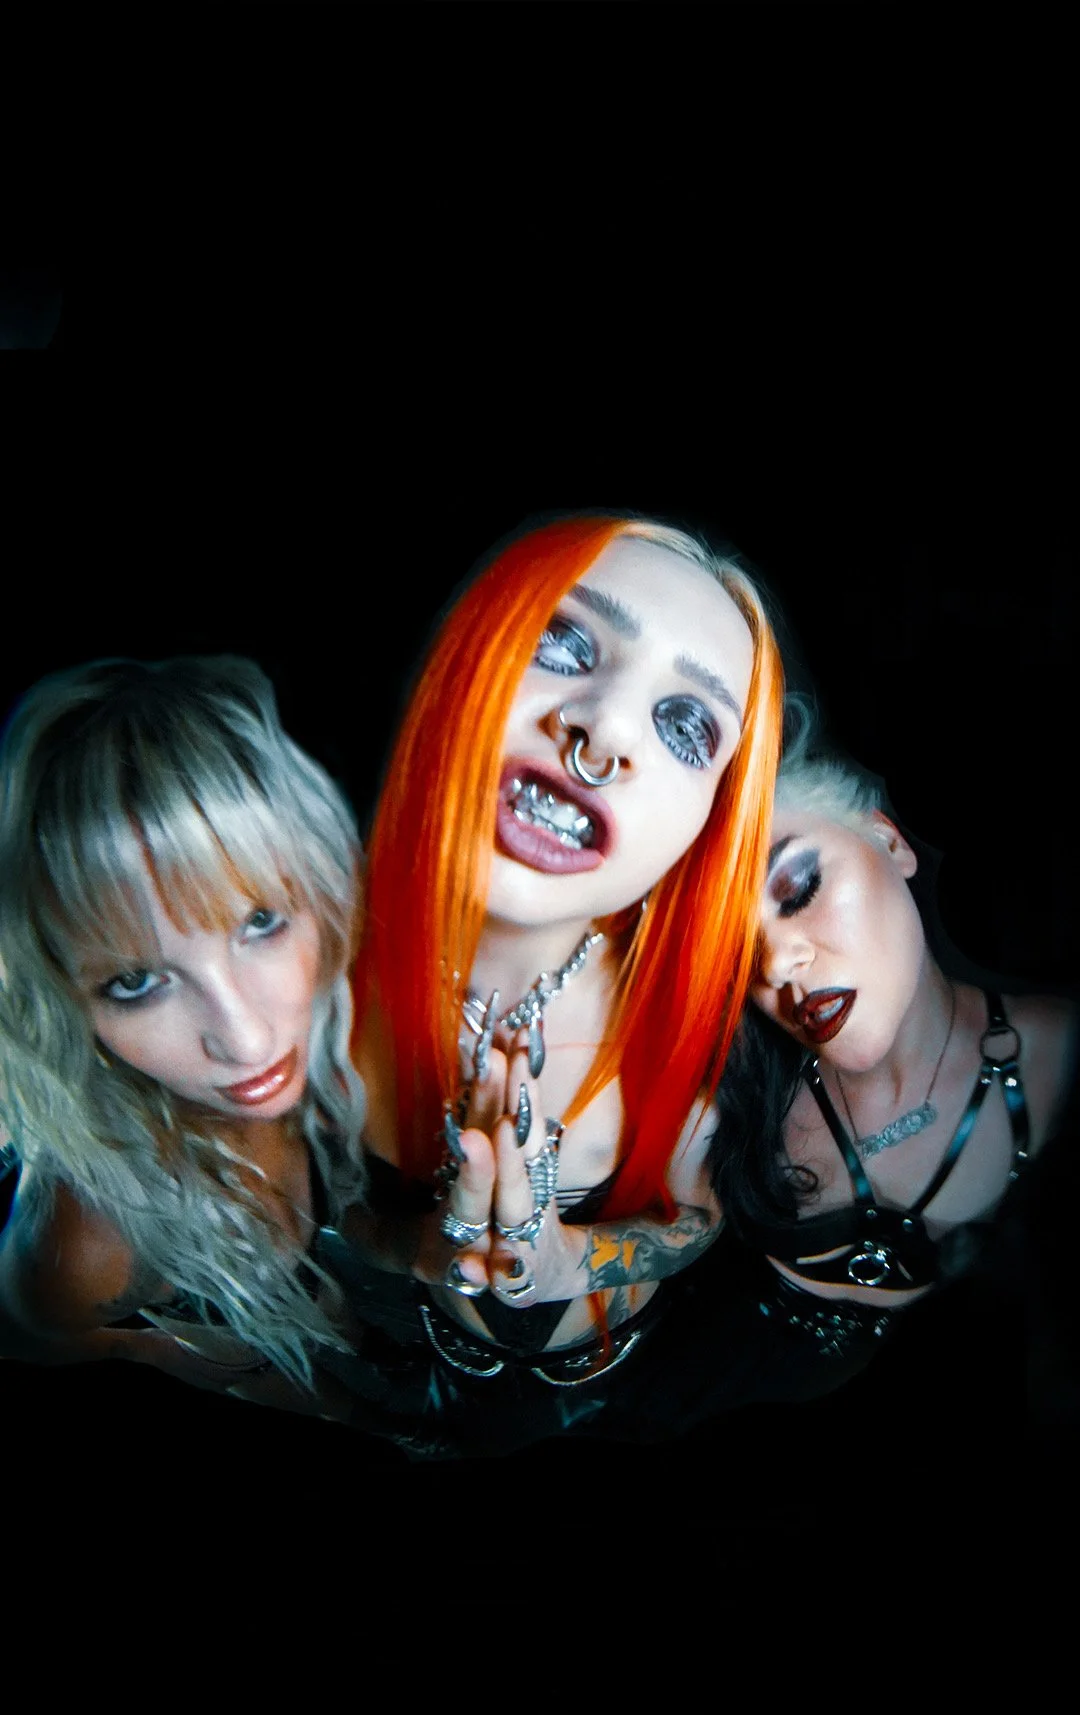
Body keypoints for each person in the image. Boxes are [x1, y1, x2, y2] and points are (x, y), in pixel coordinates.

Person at [343, 510, 785, 1457]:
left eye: (686, 725)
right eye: (562, 641)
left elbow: (699, 1218)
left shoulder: (708, 1029)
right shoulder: (298, 989)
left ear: (705, 827)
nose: (605, 728)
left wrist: (569, 1262)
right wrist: (416, 1247)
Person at [0, 654, 371, 1418]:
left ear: (325, 883)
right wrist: (139, 1351)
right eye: (135, 982)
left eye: (260, 923)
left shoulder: (391, 1042)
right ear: (67, 1003)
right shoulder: (92, 1240)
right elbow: (29, 1333)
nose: (245, 1040)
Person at [697, 745, 1079, 1414]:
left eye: (798, 887)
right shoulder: (734, 1096)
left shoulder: (1064, 1055)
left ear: (890, 842)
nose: (776, 964)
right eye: (736, 947)